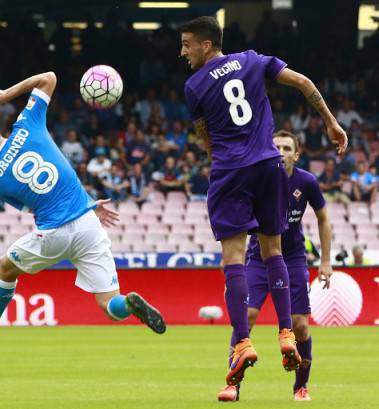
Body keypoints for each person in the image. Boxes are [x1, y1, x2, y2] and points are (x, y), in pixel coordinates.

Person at [179, 16, 347, 394]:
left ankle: (242, 341)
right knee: (273, 250)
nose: (182, 52)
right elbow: (304, 83)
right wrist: (331, 123)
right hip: (270, 166)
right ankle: (286, 331)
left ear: (207, 45)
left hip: (230, 171)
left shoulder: (194, 86)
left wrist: (218, 162)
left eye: (187, 44)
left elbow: (206, 134)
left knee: (233, 259)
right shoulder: (255, 59)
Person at [0, 72, 166, 339]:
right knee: (109, 305)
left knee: (5, 268)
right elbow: (49, 77)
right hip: (89, 223)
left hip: (54, 231)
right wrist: (5, 95)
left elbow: (33, 206)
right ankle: (128, 303)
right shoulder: (27, 123)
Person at [218, 131, 332, 402]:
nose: (281, 151)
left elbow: (324, 218)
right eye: (276, 147)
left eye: (286, 147)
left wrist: (325, 261)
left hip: (292, 259)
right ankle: (233, 385)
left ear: (296, 154)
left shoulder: (307, 182)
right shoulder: (256, 180)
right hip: (258, 258)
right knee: (246, 317)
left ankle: (300, 386)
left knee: (300, 325)